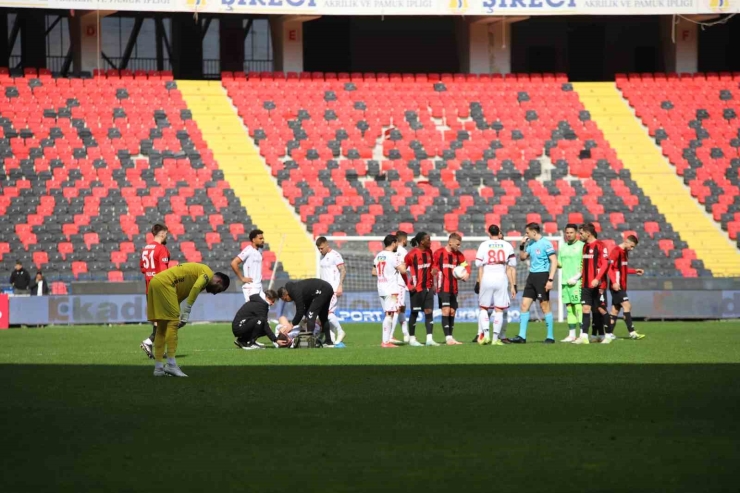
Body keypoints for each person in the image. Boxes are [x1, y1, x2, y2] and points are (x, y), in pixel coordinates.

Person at [147, 263, 230, 377]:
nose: (215, 293)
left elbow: (180, 294)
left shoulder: (199, 275)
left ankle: (158, 368)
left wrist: (178, 312)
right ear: (219, 281)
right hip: (165, 283)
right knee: (172, 324)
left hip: (155, 281)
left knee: (161, 327)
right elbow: (195, 288)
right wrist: (186, 312)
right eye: (219, 290)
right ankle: (171, 364)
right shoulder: (208, 274)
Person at [510, 223, 558, 344]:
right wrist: (521, 245)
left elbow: (554, 261)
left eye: (527, 232)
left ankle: (550, 337)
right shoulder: (530, 243)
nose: (526, 234)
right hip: (531, 277)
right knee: (524, 305)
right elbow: (522, 257)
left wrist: (550, 279)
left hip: (542, 276)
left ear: (534, 232)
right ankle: (522, 336)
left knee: (544, 306)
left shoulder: (546, 243)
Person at [474, 225, 516, 346]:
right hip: (501, 278)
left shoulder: (484, 245)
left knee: (484, 308)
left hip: (487, 277)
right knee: (499, 309)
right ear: (499, 232)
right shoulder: (507, 245)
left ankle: (485, 336)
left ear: (489, 233)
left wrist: (488, 261)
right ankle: (495, 339)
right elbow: (513, 263)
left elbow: (477, 263)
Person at [572, 223, 610, 345]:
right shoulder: (585, 247)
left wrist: (597, 278)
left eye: (581, 233)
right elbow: (584, 266)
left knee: (601, 309)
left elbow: (605, 264)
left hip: (598, 284)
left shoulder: (601, 245)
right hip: (586, 284)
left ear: (588, 233)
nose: (579, 235)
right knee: (585, 308)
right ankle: (584, 336)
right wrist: (578, 277)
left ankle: (608, 335)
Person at [605, 235, 646, 341]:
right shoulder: (616, 251)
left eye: (633, 247)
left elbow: (622, 268)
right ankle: (632, 332)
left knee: (615, 310)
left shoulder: (625, 252)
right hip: (617, 286)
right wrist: (614, 282)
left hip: (622, 285)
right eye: (631, 246)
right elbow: (609, 268)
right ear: (626, 242)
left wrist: (634, 271)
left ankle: (608, 334)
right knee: (627, 305)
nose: (631, 249)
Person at [140, 224, 171, 359]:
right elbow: (164, 272)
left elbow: (142, 268)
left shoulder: (146, 248)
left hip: (149, 287)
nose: (167, 237)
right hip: (159, 288)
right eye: (166, 234)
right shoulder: (161, 249)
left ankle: (158, 349)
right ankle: (149, 342)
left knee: (159, 320)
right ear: (162, 234)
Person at [433, 233, 468, 345]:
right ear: (450, 242)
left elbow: (465, 265)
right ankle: (448, 338)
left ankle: (451, 337)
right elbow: (433, 268)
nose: (459, 246)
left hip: (454, 287)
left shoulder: (459, 255)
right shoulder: (438, 253)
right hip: (442, 286)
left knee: (452, 312)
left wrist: (466, 274)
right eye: (457, 244)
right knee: (446, 310)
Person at [277, 278, 335, 347]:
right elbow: (305, 307)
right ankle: (328, 341)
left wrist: (291, 325)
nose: (287, 301)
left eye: (285, 299)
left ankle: (310, 343)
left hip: (322, 290)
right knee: (323, 316)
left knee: (311, 315)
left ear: (286, 294)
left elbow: (300, 311)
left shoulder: (294, 291)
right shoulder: (295, 289)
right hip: (327, 288)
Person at [372, 234, 407, 347]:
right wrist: (406, 262)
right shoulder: (393, 256)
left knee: (388, 313)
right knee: (389, 314)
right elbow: (403, 270)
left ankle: (386, 340)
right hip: (391, 289)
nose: (397, 245)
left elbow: (373, 272)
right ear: (393, 243)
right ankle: (385, 342)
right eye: (396, 243)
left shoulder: (378, 255)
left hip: (381, 288)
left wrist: (385, 273)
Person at [404, 232, 437, 347]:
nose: (430, 241)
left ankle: (429, 339)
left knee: (429, 312)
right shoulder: (412, 254)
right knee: (415, 312)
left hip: (428, 287)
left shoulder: (429, 252)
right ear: (422, 241)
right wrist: (408, 286)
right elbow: (401, 271)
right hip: (416, 289)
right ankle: (412, 339)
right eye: (428, 239)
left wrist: (433, 281)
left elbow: (433, 266)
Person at [316, 236, 347, 347]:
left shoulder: (335, 255)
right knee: (327, 314)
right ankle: (331, 340)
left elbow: (343, 270)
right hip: (324, 290)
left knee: (328, 313)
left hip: (333, 289)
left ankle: (340, 331)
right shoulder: (321, 257)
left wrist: (340, 285)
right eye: (318, 248)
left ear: (327, 244)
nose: (320, 250)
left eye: (321, 248)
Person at [558, 224, 584, 342]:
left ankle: (583, 334)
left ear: (576, 233)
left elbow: (586, 265)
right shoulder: (562, 247)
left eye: (571, 232)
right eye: (567, 233)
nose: (569, 235)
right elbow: (560, 263)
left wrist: (577, 277)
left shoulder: (582, 246)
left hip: (577, 282)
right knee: (569, 308)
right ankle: (572, 334)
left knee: (578, 307)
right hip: (565, 282)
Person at [231, 229, 266, 302]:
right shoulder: (248, 250)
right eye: (260, 238)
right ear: (253, 240)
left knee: (264, 307)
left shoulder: (259, 251)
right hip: (251, 286)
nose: (262, 240)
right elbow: (234, 263)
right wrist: (242, 278)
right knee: (252, 309)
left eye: (263, 238)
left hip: (259, 285)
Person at [391, 230, 410, 343]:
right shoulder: (403, 251)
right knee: (397, 309)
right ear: (403, 240)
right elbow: (405, 269)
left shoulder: (391, 250)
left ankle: (406, 334)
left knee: (401, 307)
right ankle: (390, 335)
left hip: (391, 283)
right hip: (400, 283)